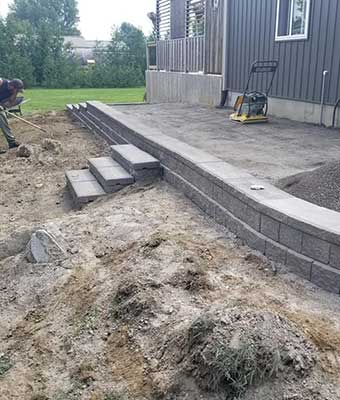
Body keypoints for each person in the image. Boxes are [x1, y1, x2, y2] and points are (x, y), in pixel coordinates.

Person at [0, 78, 24, 152]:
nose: (16, 92)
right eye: (16, 90)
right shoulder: (1, 82)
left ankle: (12, 143)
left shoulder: (13, 91)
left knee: (3, 119)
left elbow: (9, 102)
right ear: (11, 86)